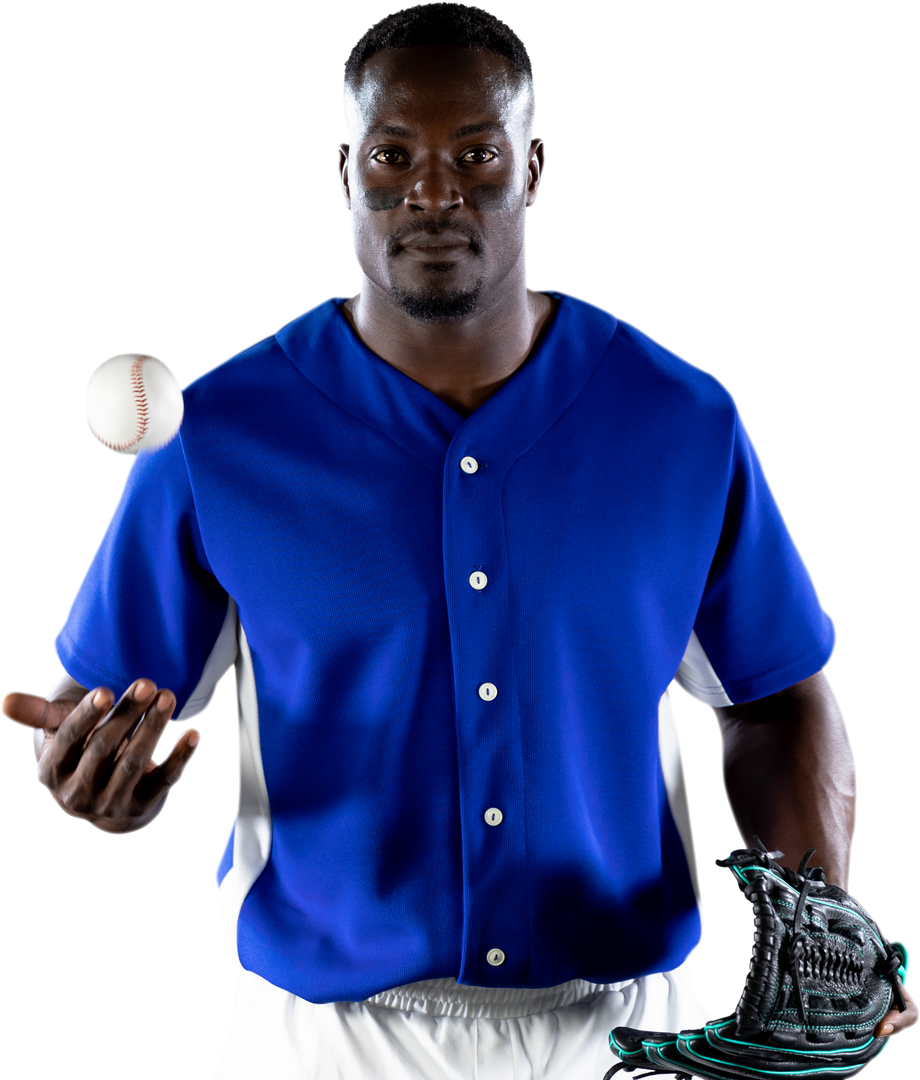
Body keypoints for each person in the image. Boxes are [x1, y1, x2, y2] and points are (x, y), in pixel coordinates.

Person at [2, 3, 915, 1078]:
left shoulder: (680, 417)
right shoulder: (215, 433)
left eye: (475, 154)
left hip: (622, 1026)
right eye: (392, 156)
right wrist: (91, 781)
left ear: (532, 168)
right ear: (343, 173)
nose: (432, 191)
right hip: (324, 1039)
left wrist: (820, 911)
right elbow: (99, 717)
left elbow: (769, 694)